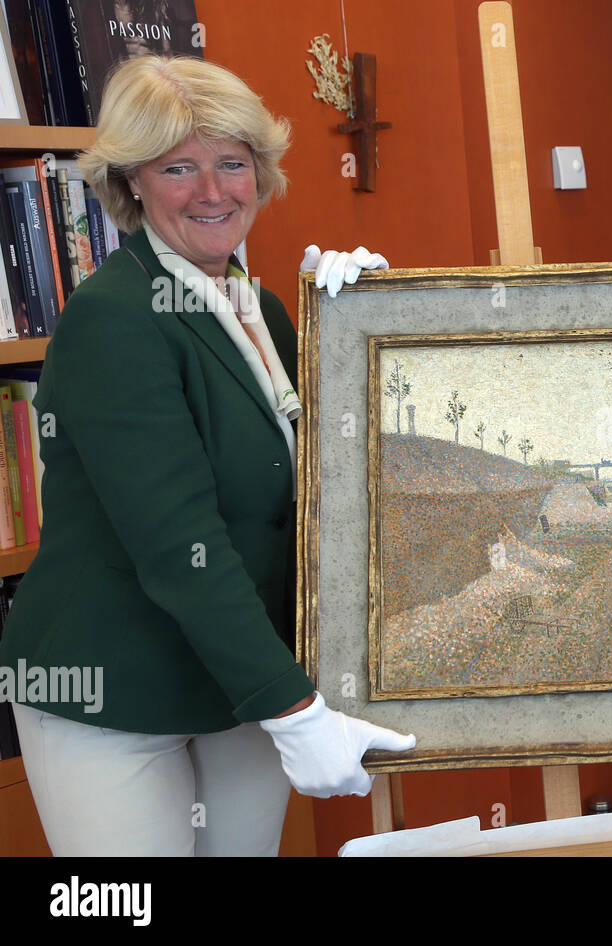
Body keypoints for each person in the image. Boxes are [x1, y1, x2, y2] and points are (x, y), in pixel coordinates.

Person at [0, 56, 411, 856]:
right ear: (132, 183)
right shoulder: (113, 319)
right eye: (179, 168)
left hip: (237, 678)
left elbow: (328, 484)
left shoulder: (263, 307)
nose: (214, 191)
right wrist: (293, 709)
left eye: (233, 163)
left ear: (261, 172)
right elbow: (176, 542)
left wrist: (371, 331)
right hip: (115, 687)